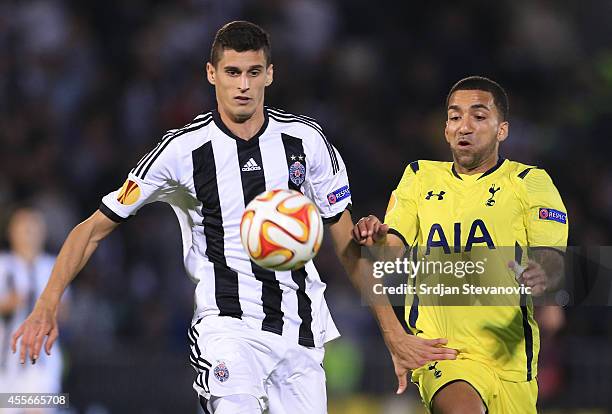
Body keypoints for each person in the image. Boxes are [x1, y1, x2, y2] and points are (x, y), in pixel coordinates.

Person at [11, 20, 423, 414]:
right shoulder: (181, 150)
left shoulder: (307, 141)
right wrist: (47, 303)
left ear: (270, 74)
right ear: (212, 74)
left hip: (301, 328)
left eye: (253, 71)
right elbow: (93, 229)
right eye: (232, 72)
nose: (243, 85)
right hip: (227, 327)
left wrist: (392, 332)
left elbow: (348, 245)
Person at [352, 76, 568, 413]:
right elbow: (387, 251)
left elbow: (551, 257)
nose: (464, 126)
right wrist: (377, 238)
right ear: (445, 129)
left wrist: (544, 276)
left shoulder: (530, 183)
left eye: (479, 117)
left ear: (502, 130)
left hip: (512, 367)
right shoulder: (420, 177)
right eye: (455, 117)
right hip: (442, 353)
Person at [1, 208, 66, 413]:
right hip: (5, 363)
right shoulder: (2, 265)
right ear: (11, 231)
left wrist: (46, 310)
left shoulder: (53, 266)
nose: (28, 232)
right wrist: (8, 304)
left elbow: (65, 312)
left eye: (33, 226)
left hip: (41, 363)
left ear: (43, 232)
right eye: (23, 227)